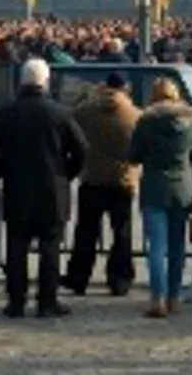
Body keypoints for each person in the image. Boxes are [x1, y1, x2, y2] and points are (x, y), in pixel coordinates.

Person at [0, 58, 87, 319]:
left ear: (21, 81)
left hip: (17, 188)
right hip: (52, 189)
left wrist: (4, 171)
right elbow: (82, 149)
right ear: (46, 81)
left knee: (17, 247)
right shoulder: (59, 113)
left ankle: (16, 302)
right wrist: (66, 174)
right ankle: (47, 301)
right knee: (50, 247)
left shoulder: (7, 112)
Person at [127, 76, 192, 318]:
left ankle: (157, 298)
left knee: (156, 246)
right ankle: (174, 297)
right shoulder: (191, 120)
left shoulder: (147, 121)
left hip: (154, 185)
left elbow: (133, 155)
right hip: (182, 186)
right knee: (177, 245)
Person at [61, 70, 140, 296]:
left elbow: (72, 139)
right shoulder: (134, 115)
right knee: (122, 233)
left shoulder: (84, 111)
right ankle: (120, 279)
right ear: (125, 88)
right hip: (122, 180)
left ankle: (78, 277)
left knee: (86, 231)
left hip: (92, 177)